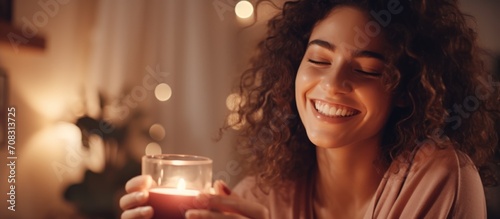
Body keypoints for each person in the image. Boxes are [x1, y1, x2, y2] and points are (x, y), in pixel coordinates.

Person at [120, 0, 500, 218]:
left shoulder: (439, 178)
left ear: (405, 89)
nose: (333, 84)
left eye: (367, 69)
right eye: (318, 60)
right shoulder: (258, 196)